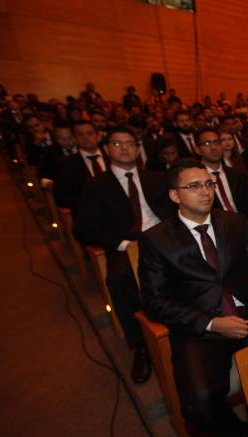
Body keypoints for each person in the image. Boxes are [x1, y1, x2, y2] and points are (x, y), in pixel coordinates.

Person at [139, 158, 248, 437]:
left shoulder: (233, 222)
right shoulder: (156, 239)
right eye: (194, 186)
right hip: (199, 328)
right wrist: (212, 325)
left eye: (208, 184)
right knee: (198, 404)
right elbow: (155, 303)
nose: (205, 191)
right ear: (175, 195)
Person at [74, 127, 175, 383]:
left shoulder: (156, 178)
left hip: (163, 239)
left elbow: (174, 213)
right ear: (107, 149)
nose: (124, 148)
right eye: (117, 144)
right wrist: (121, 244)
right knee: (119, 278)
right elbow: (84, 230)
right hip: (126, 245)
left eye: (130, 143)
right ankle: (140, 344)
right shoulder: (95, 185)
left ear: (138, 148)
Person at [195, 127, 248, 219]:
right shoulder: (195, 180)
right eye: (207, 143)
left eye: (217, 142)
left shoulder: (236, 175)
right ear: (197, 149)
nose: (213, 147)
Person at [53, 120, 108, 211]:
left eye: (89, 133)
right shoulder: (66, 164)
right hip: (87, 215)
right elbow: (60, 198)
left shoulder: (112, 157)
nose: (85, 137)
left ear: (97, 136)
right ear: (74, 138)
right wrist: (91, 201)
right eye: (80, 134)